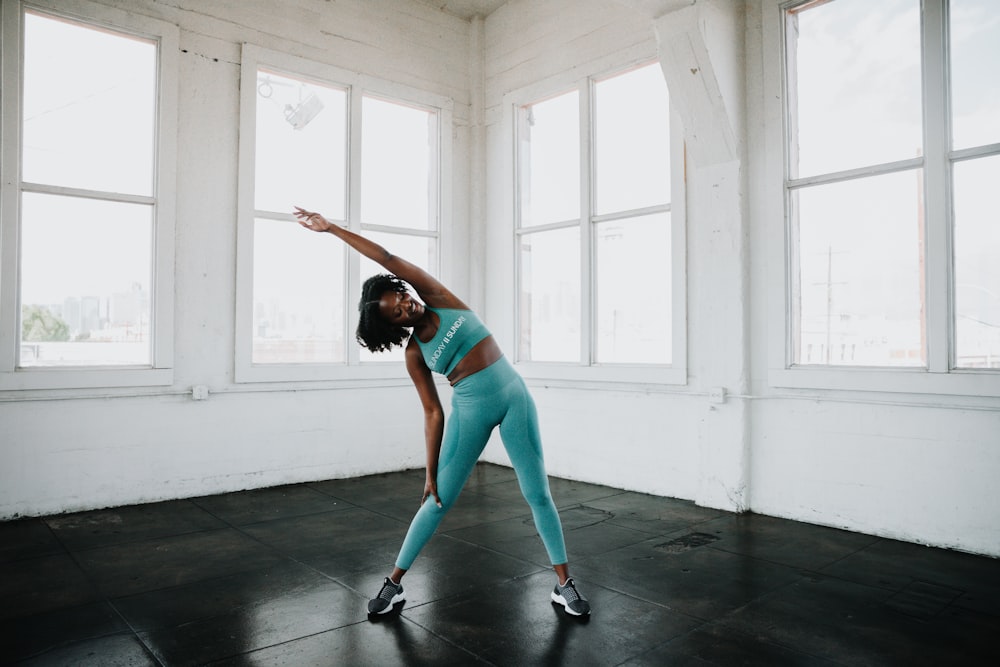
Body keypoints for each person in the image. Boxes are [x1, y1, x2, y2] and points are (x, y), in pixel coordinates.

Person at [293, 207, 591, 618]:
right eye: (396, 312)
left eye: (400, 296)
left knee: (537, 493)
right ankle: (393, 584)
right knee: (435, 501)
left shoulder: (438, 298)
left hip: (515, 397)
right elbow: (433, 413)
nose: (405, 306)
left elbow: (385, 257)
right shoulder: (415, 353)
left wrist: (331, 229)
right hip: (471, 410)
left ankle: (564, 585)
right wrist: (430, 471)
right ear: (394, 327)